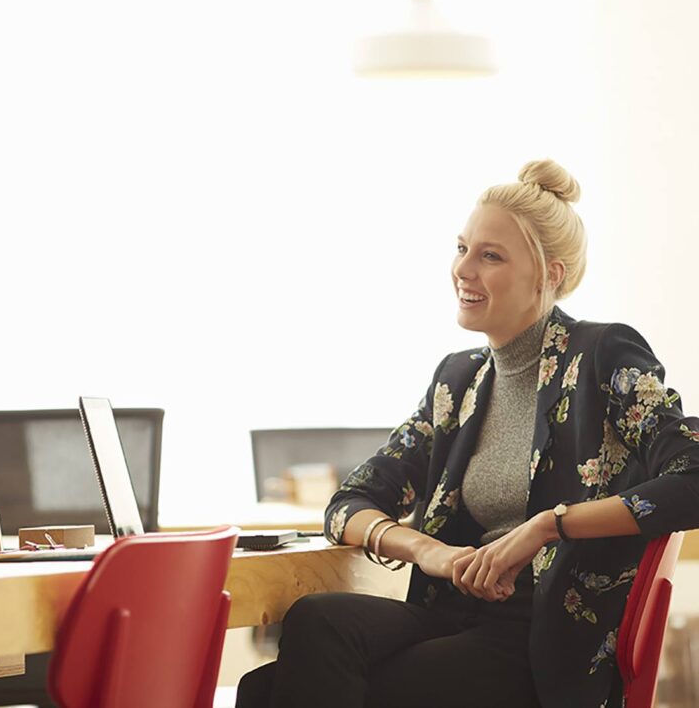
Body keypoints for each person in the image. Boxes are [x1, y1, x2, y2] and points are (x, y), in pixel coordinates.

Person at [236, 160, 699, 708]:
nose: (463, 269)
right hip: (454, 612)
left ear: (549, 275)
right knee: (316, 621)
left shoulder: (603, 355)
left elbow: (692, 477)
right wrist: (428, 552)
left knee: (269, 692)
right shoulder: (458, 380)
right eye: (462, 248)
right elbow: (349, 503)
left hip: (543, 642)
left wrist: (547, 526)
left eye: (490, 256)